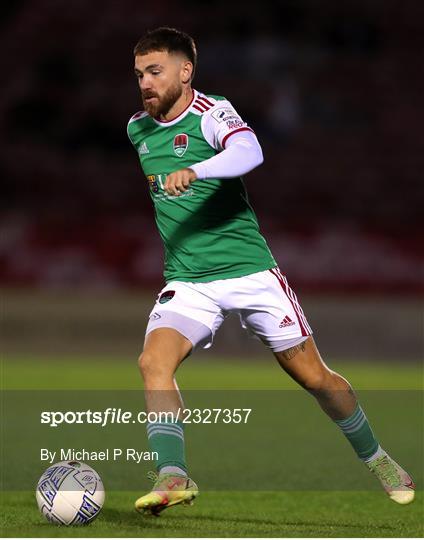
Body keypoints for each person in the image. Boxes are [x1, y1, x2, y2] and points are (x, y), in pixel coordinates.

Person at [127, 27, 415, 515]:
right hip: (188, 280)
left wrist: (199, 169)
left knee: (315, 378)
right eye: (138, 75)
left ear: (185, 71)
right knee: (153, 363)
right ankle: (173, 475)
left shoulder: (211, 113)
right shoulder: (138, 127)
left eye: (155, 71)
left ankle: (379, 458)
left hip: (251, 273)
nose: (145, 83)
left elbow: (249, 152)